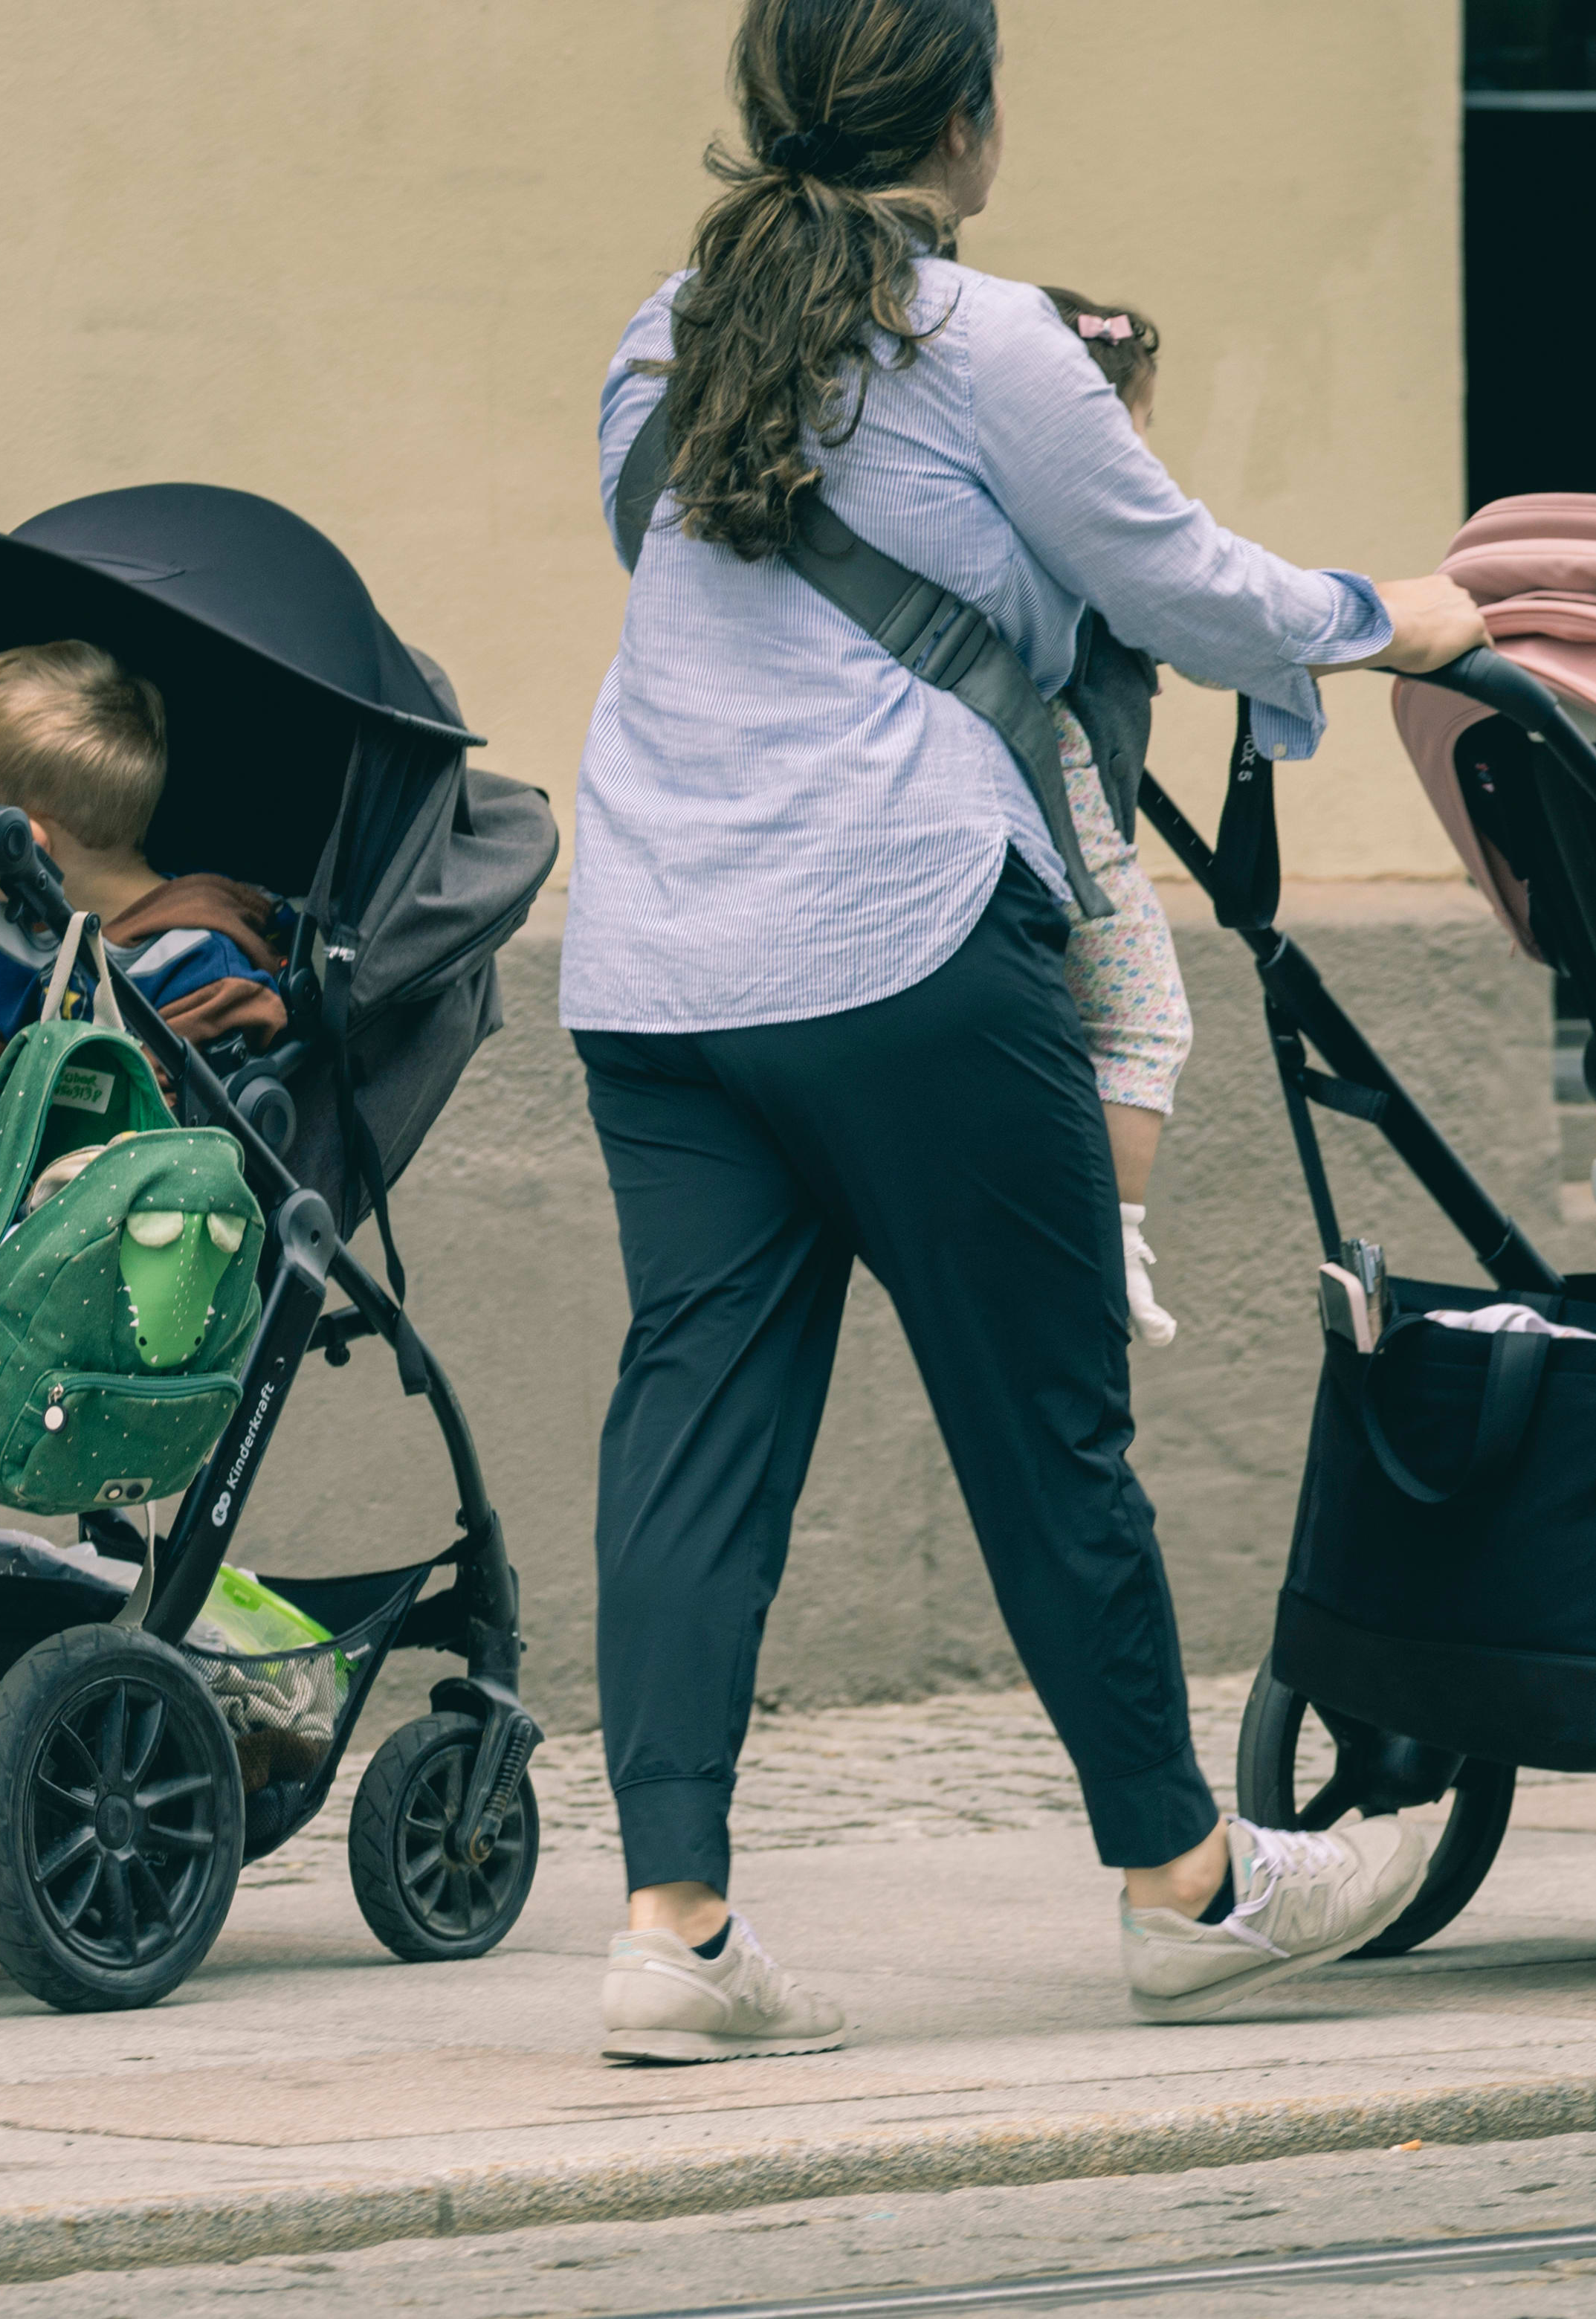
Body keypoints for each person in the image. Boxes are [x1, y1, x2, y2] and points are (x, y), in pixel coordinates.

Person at [566, 0, 1490, 2067]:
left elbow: (679, 562)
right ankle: (1185, 1883)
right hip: (899, 938)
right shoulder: (986, 342)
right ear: (967, 123)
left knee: (692, 1429)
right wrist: (1386, 617)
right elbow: (1185, 585)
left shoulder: (662, 334)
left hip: (655, 959)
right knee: (1043, 1415)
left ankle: (671, 1929)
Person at [0, 639, 287, 1319]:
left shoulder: (193, 958)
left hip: (92, 1175)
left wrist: (19, 1099)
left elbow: (171, 1115)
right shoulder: (9, 933)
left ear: (24, 844)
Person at [1033, 284, 1194, 1344]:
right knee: (1143, 1020)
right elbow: (1195, 598)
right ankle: (1118, 1238)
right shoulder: (1100, 517)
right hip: (1066, 794)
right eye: (1141, 418)